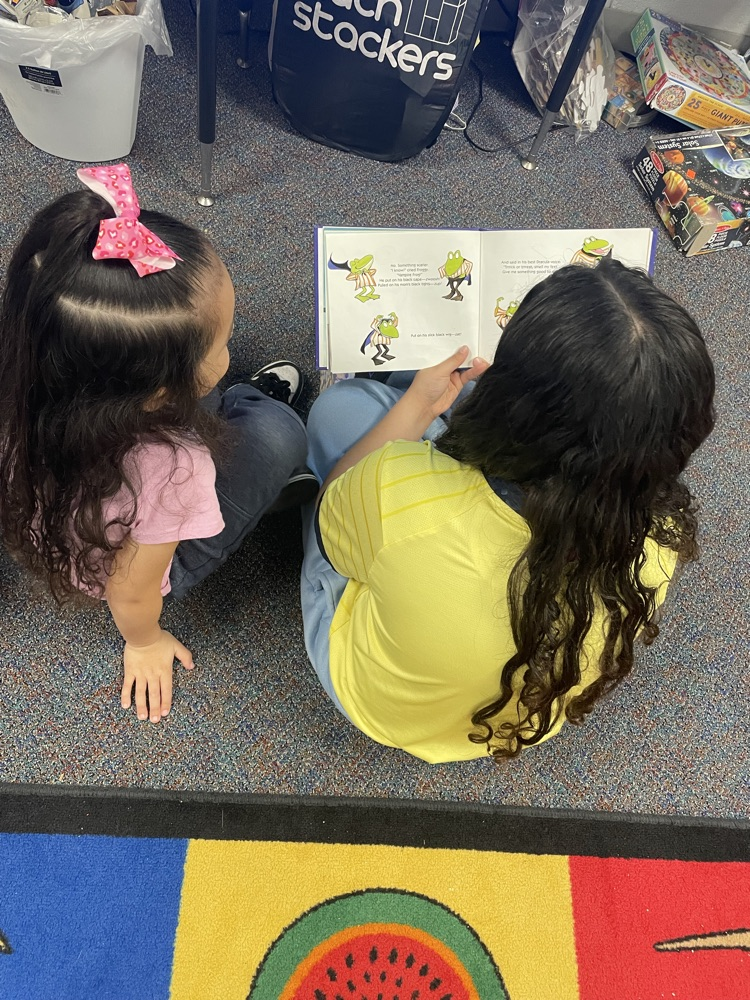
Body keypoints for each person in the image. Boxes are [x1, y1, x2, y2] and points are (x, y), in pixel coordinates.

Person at [301, 259, 716, 763]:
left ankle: (406, 402)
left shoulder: (401, 494)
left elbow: (335, 514)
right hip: (518, 724)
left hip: (376, 704)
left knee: (340, 410)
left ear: (515, 410)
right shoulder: (659, 533)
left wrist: (417, 409)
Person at [0, 164, 317, 725]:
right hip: (127, 559)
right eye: (221, 343)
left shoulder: (25, 368)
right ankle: (259, 402)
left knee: (215, 407)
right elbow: (132, 589)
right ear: (157, 395)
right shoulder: (172, 467)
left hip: (63, 516)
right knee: (278, 434)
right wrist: (143, 641)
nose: (228, 347)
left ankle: (230, 402)